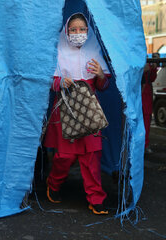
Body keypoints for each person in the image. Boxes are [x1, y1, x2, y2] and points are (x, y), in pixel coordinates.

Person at [43, 13, 111, 215]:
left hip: (89, 110)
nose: (78, 33)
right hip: (66, 109)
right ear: (66, 31)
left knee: (92, 155)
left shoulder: (94, 51)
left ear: (88, 31)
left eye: (82, 29)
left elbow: (104, 85)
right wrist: (59, 82)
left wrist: (100, 74)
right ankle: (53, 185)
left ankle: (96, 198)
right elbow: (49, 81)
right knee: (64, 156)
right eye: (73, 30)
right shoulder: (58, 51)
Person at [142, 54, 158, 154]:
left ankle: (145, 144)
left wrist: (153, 69)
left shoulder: (148, 63)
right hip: (137, 94)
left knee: (147, 121)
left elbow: (152, 78)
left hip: (146, 95)